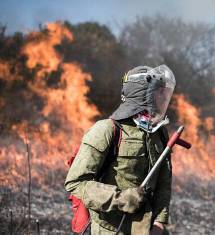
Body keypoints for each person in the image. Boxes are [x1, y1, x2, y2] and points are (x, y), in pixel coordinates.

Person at [65, 65, 176, 235]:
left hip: (148, 229)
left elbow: (163, 182)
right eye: (158, 93)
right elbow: (76, 183)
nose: (163, 99)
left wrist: (160, 222)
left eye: (164, 93)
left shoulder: (159, 133)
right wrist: (120, 198)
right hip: (112, 229)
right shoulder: (106, 130)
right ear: (142, 96)